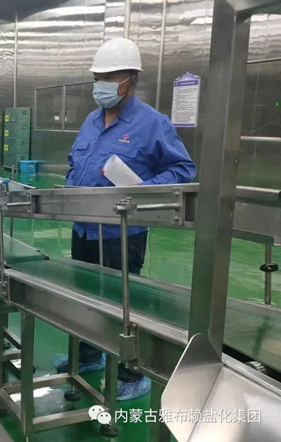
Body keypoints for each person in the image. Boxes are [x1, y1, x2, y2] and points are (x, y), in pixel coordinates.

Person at [53, 38, 196, 401]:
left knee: (126, 303)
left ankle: (133, 372)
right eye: (97, 78)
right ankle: (89, 356)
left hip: (122, 233)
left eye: (109, 78)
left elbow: (183, 169)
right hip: (83, 228)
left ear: (131, 81)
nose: (100, 85)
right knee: (84, 296)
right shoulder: (91, 120)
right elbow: (75, 163)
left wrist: (143, 191)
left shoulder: (153, 124)